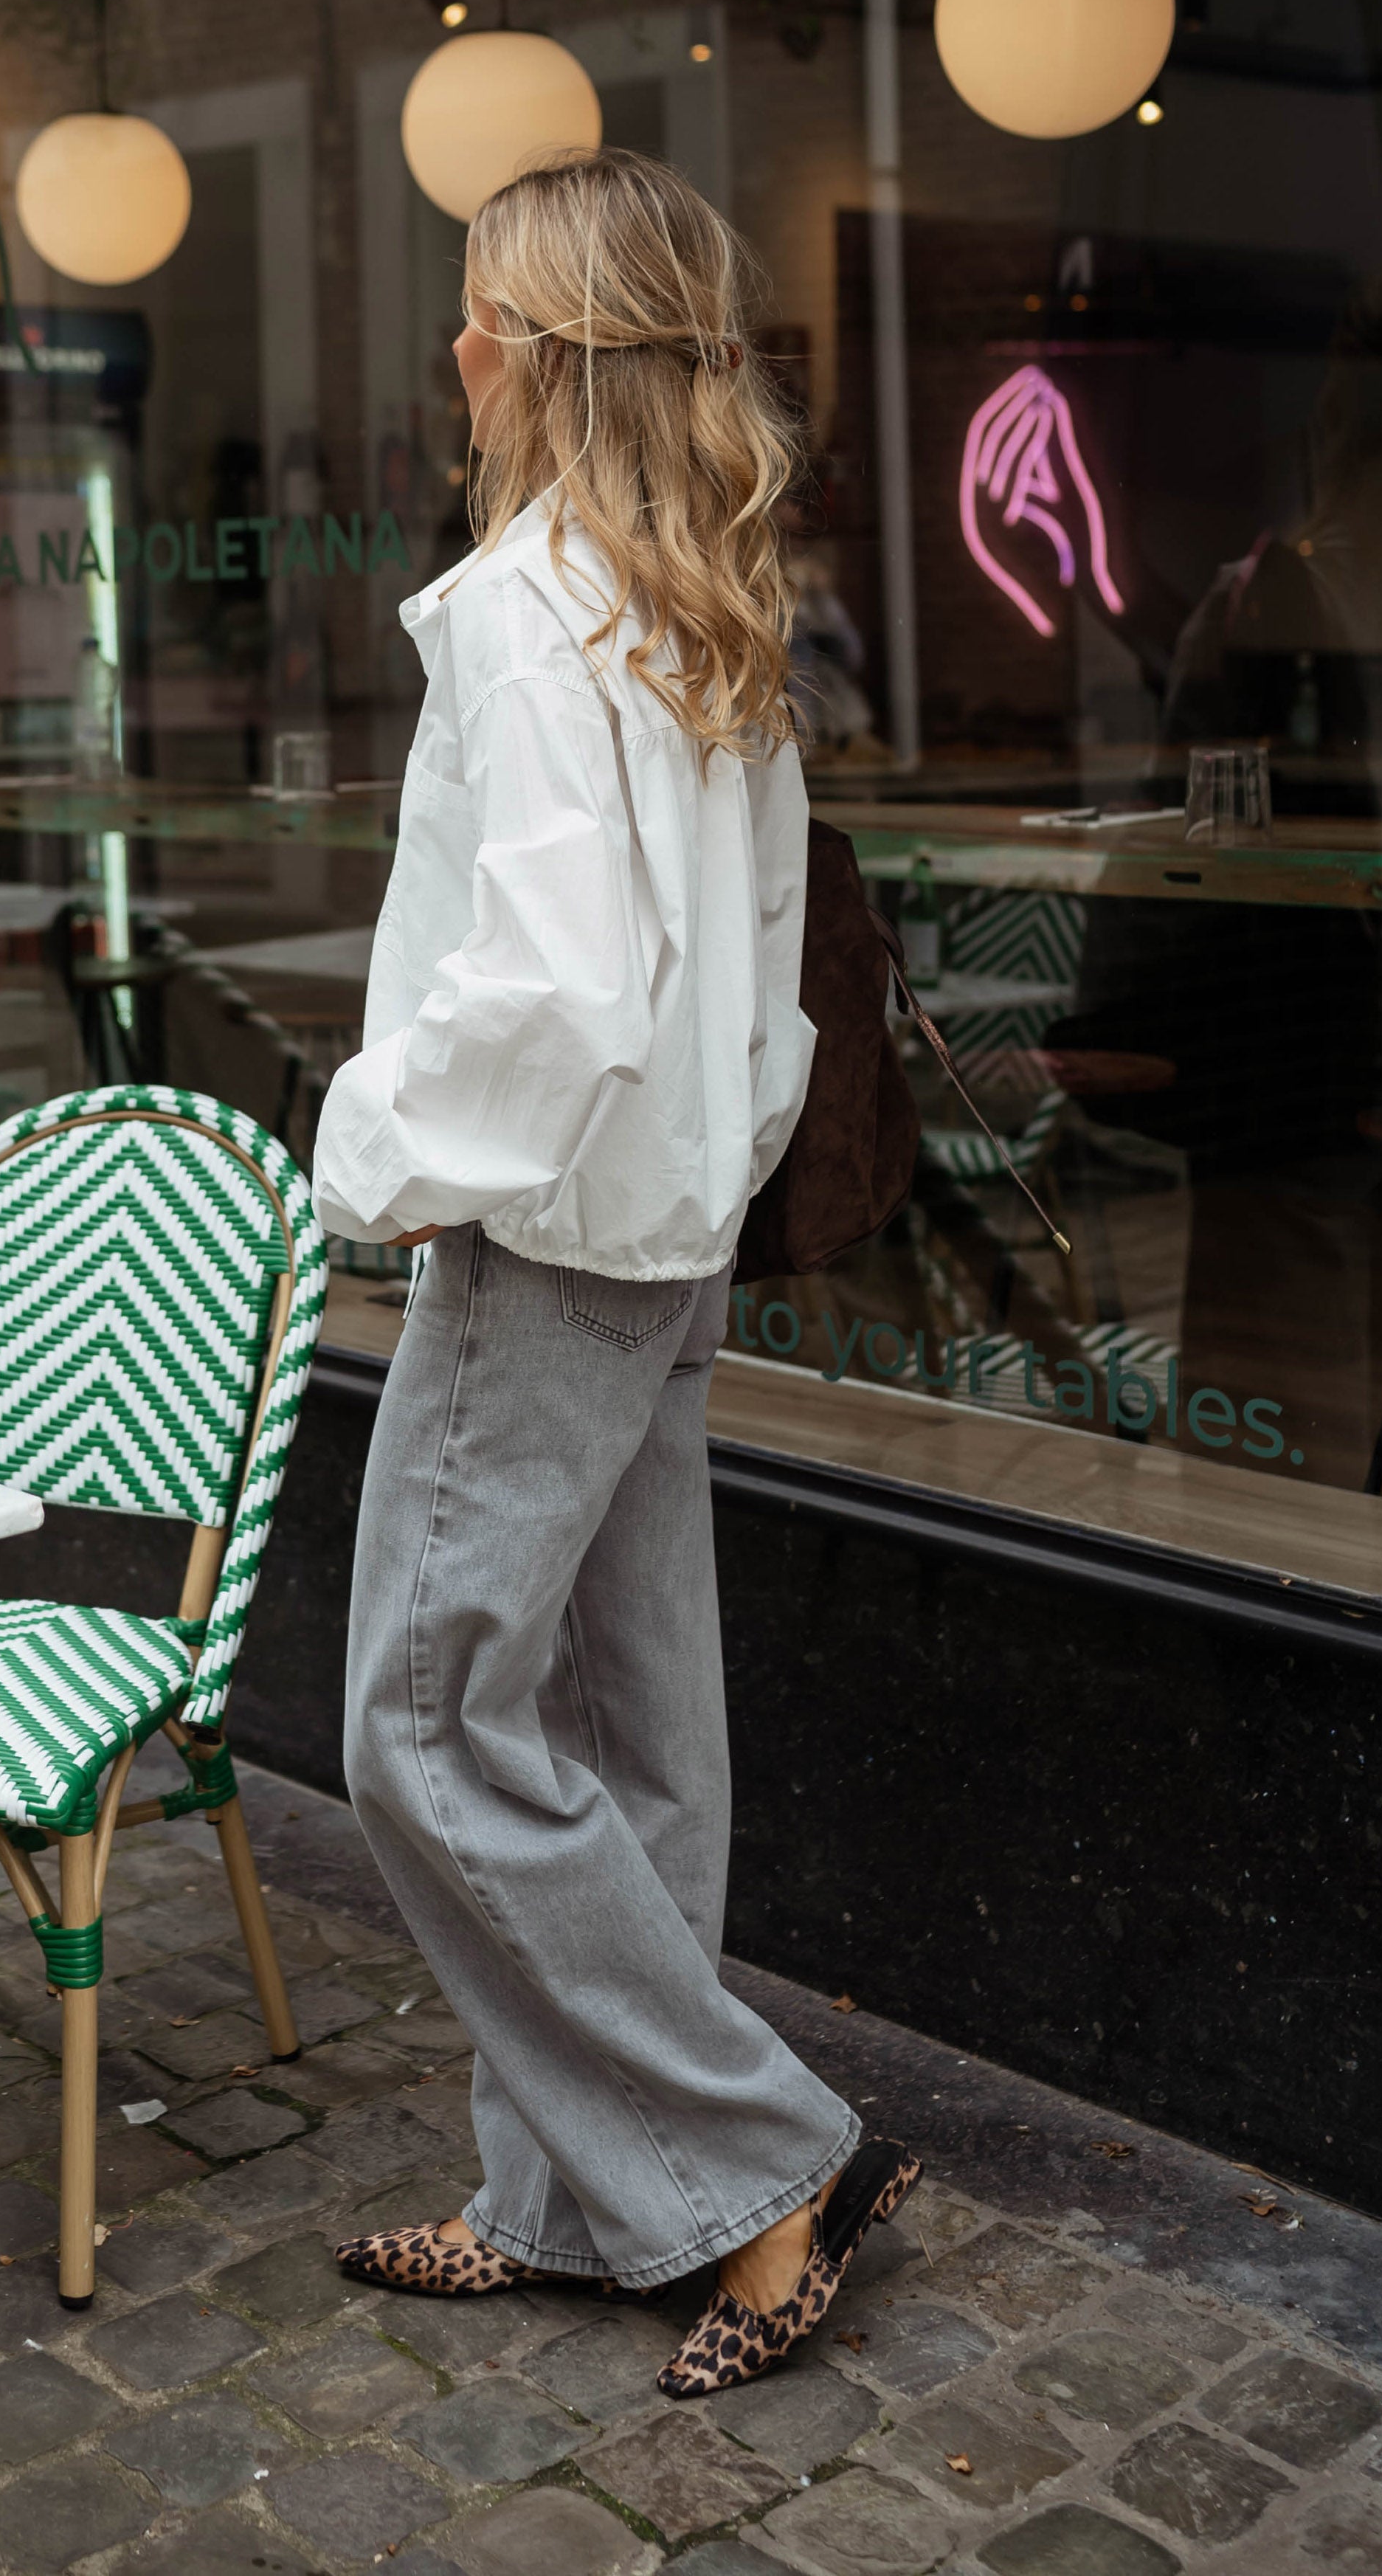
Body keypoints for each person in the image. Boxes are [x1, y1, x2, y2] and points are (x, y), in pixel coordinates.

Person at [312, 148, 919, 2397]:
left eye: (481, 311)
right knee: (628, 1736)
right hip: (660, 1239)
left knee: (420, 1725)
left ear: (547, 354)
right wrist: (710, 1168)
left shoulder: (527, 613)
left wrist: (371, 1159)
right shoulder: (709, 605)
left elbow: (553, 989)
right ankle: (586, 2206)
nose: (453, 345)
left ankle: (762, 2163)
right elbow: (757, 989)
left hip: (548, 1238)